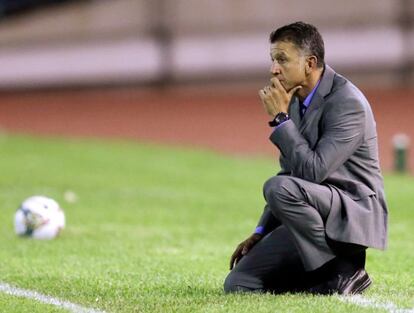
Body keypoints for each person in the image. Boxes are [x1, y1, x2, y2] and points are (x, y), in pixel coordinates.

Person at [224, 21, 388, 295]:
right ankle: (323, 278)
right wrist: (260, 231)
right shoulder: (296, 100)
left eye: (282, 59)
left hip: (351, 215)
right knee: (239, 283)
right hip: (314, 217)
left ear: (310, 63)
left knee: (276, 188)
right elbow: (291, 173)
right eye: (273, 59)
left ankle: (343, 271)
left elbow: (313, 172)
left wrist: (280, 120)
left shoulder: (347, 102)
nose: (273, 69)